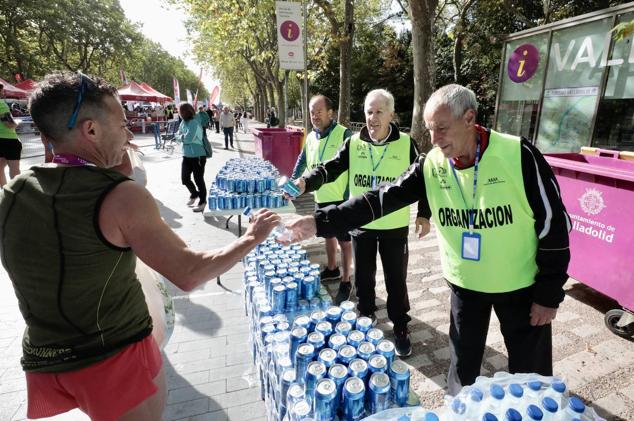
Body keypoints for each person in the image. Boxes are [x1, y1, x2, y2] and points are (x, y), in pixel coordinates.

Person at [0, 71, 280, 420]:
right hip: (114, 359)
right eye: (121, 124)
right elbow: (189, 273)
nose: (129, 133)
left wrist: (111, 169)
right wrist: (251, 237)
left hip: (48, 358)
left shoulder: (14, 191)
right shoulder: (120, 196)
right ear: (91, 130)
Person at [284, 84, 571, 394]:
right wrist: (318, 223)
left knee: (532, 379)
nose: (434, 140)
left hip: (521, 288)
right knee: (462, 373)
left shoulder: (518, 153)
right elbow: (379, 199)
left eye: (442, 129)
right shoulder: (432, 163)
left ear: (469, 118)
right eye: (430, 130)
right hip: (466, 286)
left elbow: (554, 226)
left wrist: (548, 294)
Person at [291, 89, 425, 357]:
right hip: (361, 223)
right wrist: (306, 182)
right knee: (363, 277)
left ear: (391, 115)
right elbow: (330, 168)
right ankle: (366, 313)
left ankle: (400, 326)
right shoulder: (353, 143)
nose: (372, 118)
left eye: (378, 112)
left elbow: (424, 179)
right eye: (368, 112)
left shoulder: (406, 143)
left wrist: (425, 213)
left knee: (395, 279)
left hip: (393, 226)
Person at [290, 94, 353, 304]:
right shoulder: (310, 137)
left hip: (340, 197)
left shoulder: (345, 134)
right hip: (320, 195)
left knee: (345, 241)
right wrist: (292, 181)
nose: (314, 116)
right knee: (327, 234)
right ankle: (332, 268)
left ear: (330, 112)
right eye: (311, 112)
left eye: (319, 111)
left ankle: (346, 281)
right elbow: (303, 161)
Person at [177, 103, 208, 212]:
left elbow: (189, 138)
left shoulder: (194, 122)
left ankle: (203, 201)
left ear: (186, 112)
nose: (179, 114)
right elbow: (177, 135)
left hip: (198, 155)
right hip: (186, 155)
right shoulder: (183, 123)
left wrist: (181, 137)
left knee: (199, 179)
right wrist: (181, 137)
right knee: (185, 179)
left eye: (181, 112)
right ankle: (194, 194)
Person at [0, 84, 22, 186]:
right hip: (9, 141)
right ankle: (16, 196)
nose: (3, 93)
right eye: (2, 90)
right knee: (15, 171)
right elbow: (9, 124)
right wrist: (18, 121)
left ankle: (4, 193)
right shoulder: (1, 104)